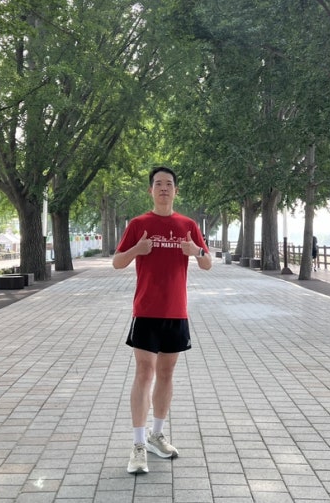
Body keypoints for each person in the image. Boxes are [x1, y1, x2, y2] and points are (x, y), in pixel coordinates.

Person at [113, 166, 212, 475]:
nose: (164, 188)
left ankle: (157, 435)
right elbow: (117, 262)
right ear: (151, 190)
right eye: (158, 183)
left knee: (166, 374)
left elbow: (208, 264)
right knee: (145, 373)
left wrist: (196, 250)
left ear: (175, 190)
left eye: (169, 183)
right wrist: (136, 249)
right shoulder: (138, 224)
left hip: (176, 312)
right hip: (145, 311)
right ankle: (138, 444)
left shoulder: (188, 225)